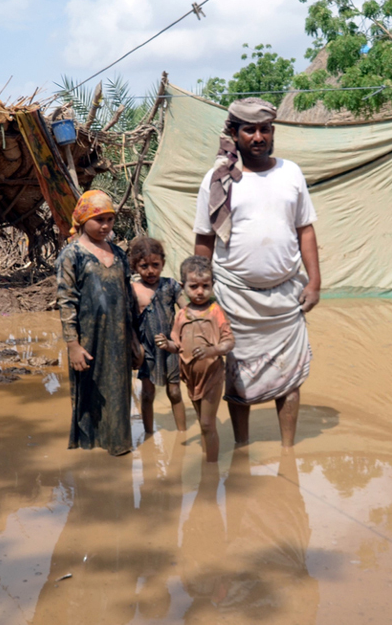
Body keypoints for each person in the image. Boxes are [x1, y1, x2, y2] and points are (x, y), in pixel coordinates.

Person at [194, 97, 320, 449]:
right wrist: (200, 299)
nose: (259, 136)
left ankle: (288, 451)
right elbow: (204, 241)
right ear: (234, 133)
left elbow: (305, 230)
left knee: (290, 376)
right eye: (249, 129)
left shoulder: (290, 173)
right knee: (236, 379)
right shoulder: (218, 181)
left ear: (273, 132)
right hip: (235, 298)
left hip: (285, 296)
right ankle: (242, 449)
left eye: (265, 129)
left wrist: (315, 282)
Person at [56, 190, 141, 456]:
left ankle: (118, 445)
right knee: (90, 392)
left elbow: (128, 298)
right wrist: (73, 345)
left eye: (109, 219)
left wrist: (135, 339)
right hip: (89, 337)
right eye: (98, 220)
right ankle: (91, 450)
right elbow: (66, 301)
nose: (105, 226)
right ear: (82, 220)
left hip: (118, 338)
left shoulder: (119, 253)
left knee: (118, 391)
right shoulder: (72, 255)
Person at [164, 256, 235, 462]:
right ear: (182, 286)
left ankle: (211, 469)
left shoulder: (216, 312)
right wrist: (165, 344)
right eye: (193, 286)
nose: (200, 291)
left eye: (206, 286)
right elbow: (175, 345)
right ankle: (207, 463)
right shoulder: (182, 315)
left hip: (212, 374)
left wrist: (211, 351)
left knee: (206, 423)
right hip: (190, 376)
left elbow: (229, 342)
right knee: (202, 421)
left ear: (213, 285)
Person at [129, 236, 188, 433]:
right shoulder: (132, 290)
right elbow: (128, 321)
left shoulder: (171, 285)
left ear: (163, 263)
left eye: (155, 265)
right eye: (144, 266)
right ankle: (148, 435)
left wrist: (182, 340)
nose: (150, 271)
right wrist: (136, 346)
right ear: (135, 266)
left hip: (170, 348)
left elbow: (187, 312)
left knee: (175, 392)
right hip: (147, 350)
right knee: (147, 393)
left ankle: (182, 433)